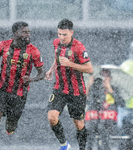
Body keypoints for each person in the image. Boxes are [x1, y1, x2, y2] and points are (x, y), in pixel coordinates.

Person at [0, 21, 45, 150]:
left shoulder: (33, 51)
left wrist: (32, 79)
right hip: (1, 90)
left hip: (19, 94)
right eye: (24, 32)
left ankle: (11, 125)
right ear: (15, 33)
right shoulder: (3, 46)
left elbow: (42, 72)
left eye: (28, 32)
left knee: (10, 126)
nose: (28, 35)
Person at [45, 19, 93, 150]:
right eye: (59, 34)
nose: (61, 37)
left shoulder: (79, 47)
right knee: (52, 117)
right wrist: (51, 69)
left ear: (71, 32)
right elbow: (58, 58)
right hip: (60, 88)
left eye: (64, 34)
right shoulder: (56, 43)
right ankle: (64, 145)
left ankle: (82, 148)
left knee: (79, 124)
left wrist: (70, 64)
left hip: (76, 91)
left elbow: (89, 69)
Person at [85, 69, 125, 150]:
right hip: (95, 120)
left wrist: (109, 89)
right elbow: (86, 100)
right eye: (102, 76)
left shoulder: (114, 89)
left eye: (106, 76)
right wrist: (89, 85)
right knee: (89, 129)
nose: (104, 78)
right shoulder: (95, 89)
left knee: (103, 129)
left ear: (110, 78)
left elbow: (121, 103)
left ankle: (104, 147)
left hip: (109, 121)